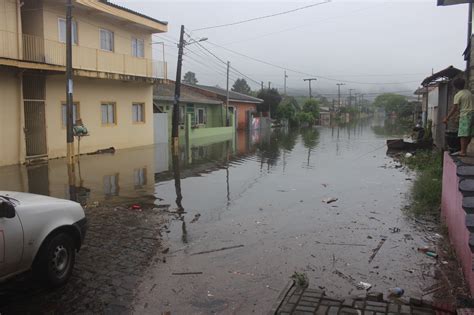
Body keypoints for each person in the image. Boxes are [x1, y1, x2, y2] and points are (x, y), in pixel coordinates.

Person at [443, 77, 474, 156]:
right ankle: (464, 150)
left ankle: (463, 151)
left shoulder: (458, 95)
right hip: (472, 114)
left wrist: (447, 118)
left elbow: (454, 108)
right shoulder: (469, 92)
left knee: (463, 134)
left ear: (455, 86)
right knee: (469, 133)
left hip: (465, 115)